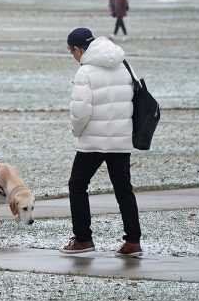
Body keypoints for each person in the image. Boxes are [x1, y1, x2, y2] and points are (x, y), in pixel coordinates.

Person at [60, 27, 142, 258]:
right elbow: (135, 95)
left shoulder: (85, 72)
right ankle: (133, 242)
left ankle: (83, 238)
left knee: (77, 185)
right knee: (124, 190)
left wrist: (77, 131)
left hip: (92, 141)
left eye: (72, 52)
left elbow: (80, 111)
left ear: (77, 49)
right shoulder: (123, 63)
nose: (73, 57)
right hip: (121, 138)